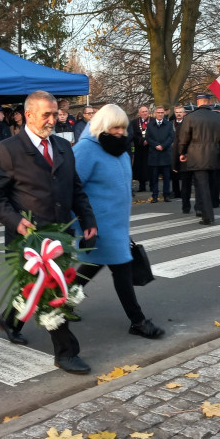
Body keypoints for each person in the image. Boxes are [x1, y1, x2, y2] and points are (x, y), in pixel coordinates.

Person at [0, 90, 97, 374]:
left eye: (55, 113)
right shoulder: (9, 149)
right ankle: (66, 352)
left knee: (32, 289)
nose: (52, 119)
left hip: (60, 234)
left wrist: (88, 219)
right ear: (28, 115)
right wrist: (16, 220)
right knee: (52, 292)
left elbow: (75, 188)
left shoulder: (62, 146)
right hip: (28, 239)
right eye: (46, 114)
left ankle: (10, 320)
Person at [72, 104, 165, 340]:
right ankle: (137, 320)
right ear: (102, 125)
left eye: (123, 128)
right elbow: (72, 187)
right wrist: (81, 223)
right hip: (98, 225)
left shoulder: (120, 150)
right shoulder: (85, 149)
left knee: (91, 266)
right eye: (115, 127)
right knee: (122, 268)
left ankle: (61, 301)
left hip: (117, 224)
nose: (120, 132)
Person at [177, 93, 220, 225]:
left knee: (202, 186)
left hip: (196, 156)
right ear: (209, 102)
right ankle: (208, 210)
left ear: (198, 102)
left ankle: (207, 215)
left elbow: (183, 138)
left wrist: (182, 152)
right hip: (214, 155)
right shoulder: (219, 118)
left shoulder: (190, 117)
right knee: (211, 185)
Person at [145, 105, 174, 202]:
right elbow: (148, 137)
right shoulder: (150, 125)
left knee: (166, 177)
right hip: (154, 154)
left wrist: (163, 146)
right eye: (158, 112)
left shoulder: (169, 124)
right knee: (154, 177)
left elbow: (171, 137)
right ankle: (155, 196)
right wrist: (156, 145)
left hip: (165, 154)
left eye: (162, 112)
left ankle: (166, 195)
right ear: (155, 113)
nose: (160, 114)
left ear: (164, 113)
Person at [130, 105, 151, 193]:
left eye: (146, 111)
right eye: (143, 111)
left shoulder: (152, 121)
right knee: (140, 167)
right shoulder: (134, 122)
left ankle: (152, 185)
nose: (145, 113)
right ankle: (141, 186)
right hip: (139, 148)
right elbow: (132, 134)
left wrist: (148, 140)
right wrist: (141, 140)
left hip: (150, 148)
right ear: (139, 113)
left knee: (150, 167)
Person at [171, 105, 187, 201]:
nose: (178, 114)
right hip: (173, 150)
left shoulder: (187, 123)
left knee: (184, 172)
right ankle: (175, 191)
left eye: (180, 112)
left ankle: (184, 191)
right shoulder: (171, 124)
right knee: (174, 172)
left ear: (184, 113)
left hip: (183, 150)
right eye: (177, 112)